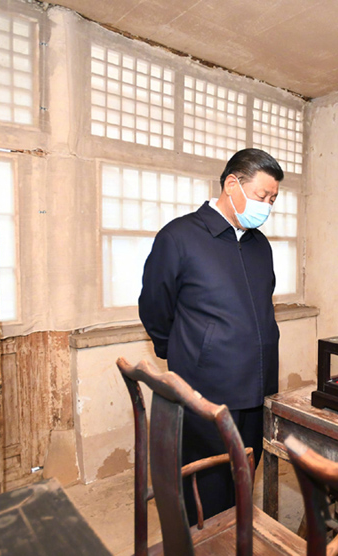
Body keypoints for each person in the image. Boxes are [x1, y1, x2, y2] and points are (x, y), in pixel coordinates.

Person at [138, 148, 283, 524]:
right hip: (207, 390)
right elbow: (155, 306)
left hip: (257, 387)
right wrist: (184, 353)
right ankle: (203, 540)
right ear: (232, 184)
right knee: (207, 484)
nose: (266, 206)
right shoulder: (180, 236)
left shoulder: (259, 245)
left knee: (244, 474)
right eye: (262, 195)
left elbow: (262, 304)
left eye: (272, 200)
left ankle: (235, 533)